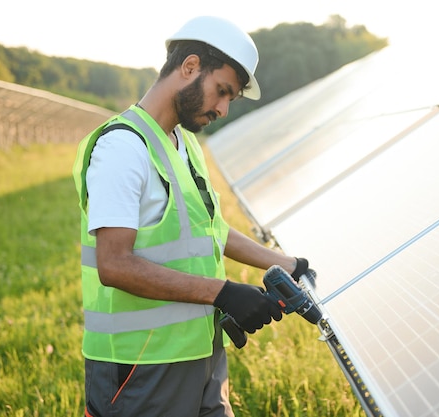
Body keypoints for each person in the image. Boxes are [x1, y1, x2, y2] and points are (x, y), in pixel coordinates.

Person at [72, 15, 313, 417]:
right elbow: (114, 265)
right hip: (140, 366)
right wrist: (223, 293)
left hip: (201, 351)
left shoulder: (184, 145)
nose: (222, 108)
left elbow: (211, 230)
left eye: (229, 98)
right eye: (221, 91)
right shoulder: (122, 148)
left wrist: (287, 265)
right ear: (189, 67)